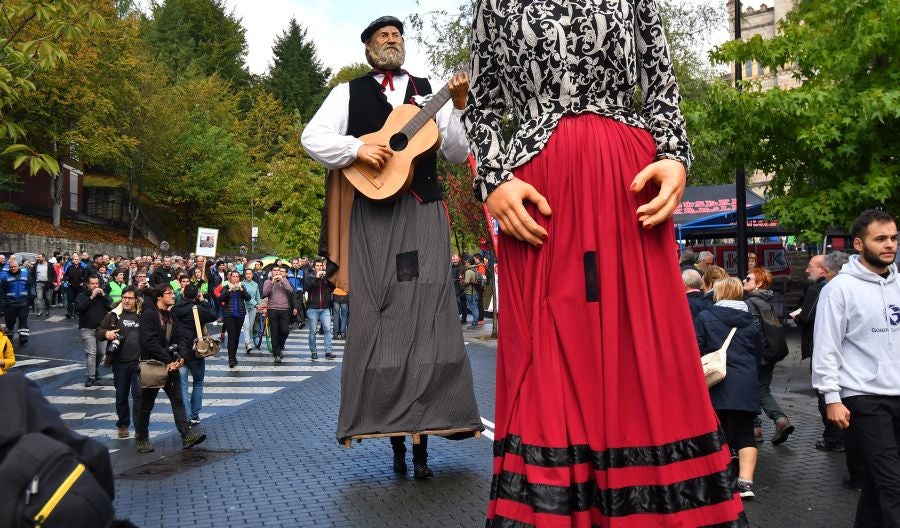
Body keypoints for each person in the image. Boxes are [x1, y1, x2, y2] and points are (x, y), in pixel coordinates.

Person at [465, 1, 743, 524]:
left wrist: (675, 156)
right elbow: (480, 108)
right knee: (545, 355)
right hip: (538, 193)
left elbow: (662, 86)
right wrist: (494, 180)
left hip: (628, 186)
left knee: (648, 348)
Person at [302, 15, 482, 479]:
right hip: (374, 216)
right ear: (367, 47)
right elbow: (313, 138)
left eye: (397, 34)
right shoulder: (348, 92)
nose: (391, 39)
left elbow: (458, 154)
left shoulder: (427, 90)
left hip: (423, 210)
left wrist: (459, 108)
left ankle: (423, 444)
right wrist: (357, 151)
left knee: (430, 313)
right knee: (379, 314)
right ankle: (393, 441)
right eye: (382, 35)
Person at [813, 209, 900, 527]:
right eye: (881, 239)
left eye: (893, 237)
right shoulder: (839, 289)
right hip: (864, 397)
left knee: (879, 486)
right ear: (859, 244)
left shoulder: (898, 285)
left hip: (897, 392)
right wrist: (832, 396)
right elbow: (826, 346)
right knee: (893, 486)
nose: (890, 244)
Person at [696, 277, 763, 499]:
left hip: (716, 381)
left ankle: (721, 480)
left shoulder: (705, 316)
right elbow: (757, 354)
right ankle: (745, 484)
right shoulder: (751, 320)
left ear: (718, 293)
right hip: (745, 380)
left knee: (718, 431)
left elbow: (697, 348)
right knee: (745, 432)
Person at [135, 284, 205, 453]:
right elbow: (149, 342)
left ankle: (186, 435)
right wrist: (167, 359)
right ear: (159, 296)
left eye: (173, 293)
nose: (173, 296)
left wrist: (181, 357)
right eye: (169, 293)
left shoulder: (172, 315)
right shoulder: (148, 315)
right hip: (153, 365)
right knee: (146, 404)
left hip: (172, 366)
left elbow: (181, 337)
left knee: (178, 401)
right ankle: (142, 438)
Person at [743, 267, 794, 444]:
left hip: (757, 356)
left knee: (754, 391)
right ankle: (772, 423)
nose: (744, 281)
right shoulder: (765, 301)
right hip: (768, 354)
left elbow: (754, 331)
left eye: (748, 279)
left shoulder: (751, 302)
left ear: (759, 284)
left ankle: (771, 423)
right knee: (762, 389)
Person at [96, 285, 142, 439]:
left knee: (138, 396)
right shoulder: (113, 315)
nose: (126, 301)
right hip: (120, 362)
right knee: (121, 395)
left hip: (139, 363)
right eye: (124, 298)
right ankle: (123, 424)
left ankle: (139, 427)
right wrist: (107, 333)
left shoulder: (143, 314)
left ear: (136, 299)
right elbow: (99, 332)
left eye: (130, 298)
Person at [173, 283, 218, 425]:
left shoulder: (175, 309)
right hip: (196, 350)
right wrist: (203, 301)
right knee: (198, 382)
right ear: (196, 296)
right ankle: (194, 414)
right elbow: (213, 315)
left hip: (180, 351)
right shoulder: (198, 309)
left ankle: (186, 416)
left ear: (183, 294)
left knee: (183, 386)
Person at [76, 275, 112, 387]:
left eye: (97, 283)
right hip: (87, 328)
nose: (95, 286)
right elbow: (79, 309)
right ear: (88, 284)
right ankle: (90, 377)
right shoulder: (82, 295)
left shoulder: (103, 296)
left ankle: (94, 369)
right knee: (91, 353)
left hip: (101, 329)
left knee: (101, 352)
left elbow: (111, 306)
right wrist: (91, 297)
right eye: (92, 284)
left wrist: (104, 295)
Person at [262, 266, 296, 362]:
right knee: (274, 332)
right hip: (272, 309)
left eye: (278, 271)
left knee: (285, 331)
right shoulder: (267, 282)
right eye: (275, 271)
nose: (277, 272)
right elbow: (265, 293)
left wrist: (283, 281)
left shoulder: (285, 281)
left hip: (284, 309)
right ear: (271, 272)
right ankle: (276, 353)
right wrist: (272, 282)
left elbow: (290, 290)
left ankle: (279, 347)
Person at [216, 270, 250, 368]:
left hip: (240, 314)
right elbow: (220, 299)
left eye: (237, 276)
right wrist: (229, 290)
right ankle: (231, 358)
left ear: (239, 278)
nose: (235, 278)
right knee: (232, 336)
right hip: (228, 315)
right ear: (230, 278)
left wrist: (242, 290)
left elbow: (248, 298)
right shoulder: (226, 287)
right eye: (233, 276)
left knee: (237, 336)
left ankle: (234, 356)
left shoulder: (242, 287)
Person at [303, 259, 334, 360]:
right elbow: (307, 287)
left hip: (325, 308)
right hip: (312, 308)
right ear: (314, 267)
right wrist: (316, 278)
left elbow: (333, 287)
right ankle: (314, 351)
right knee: (313, 331)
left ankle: (328, 351)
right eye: (317, 265)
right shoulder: (309, 277)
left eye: (321, 265)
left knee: (328, 330)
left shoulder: (325, 277)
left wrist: (328, 278)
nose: (320, 267)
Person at [1, 259, 34, 346]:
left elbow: (31, 285)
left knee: (23, 321)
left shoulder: (25, 274)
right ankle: (9, 337)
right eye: (11, 267)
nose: (13, 268)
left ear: (18, 266)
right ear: (9, 267)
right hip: (10, 304)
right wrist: (4, 303)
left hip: (23, 303)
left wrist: (32, 297)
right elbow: (2, 291)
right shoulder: (5, 277)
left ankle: (23, 337)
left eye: (15, 266)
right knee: (10, 322)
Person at [241, 268, 261, 353]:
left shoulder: (255, 284)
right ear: (245, 275)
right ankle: (248, 343)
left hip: (253, 308)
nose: (248, 275)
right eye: (247, 274)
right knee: (246, 325)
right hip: (244, 306)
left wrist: (259, 305)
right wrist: (255, 303)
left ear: (252, 275)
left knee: (251, 326)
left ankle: (247, 341)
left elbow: (257, 296)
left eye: (250, 274)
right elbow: (246, 296)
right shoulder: (242, 284)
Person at [32, 253, 57, 317]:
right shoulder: (36, 265)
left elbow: (54, 274)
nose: (38, 259)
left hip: (47, 284)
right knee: (39, 298)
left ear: (43, 258)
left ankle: (48, 310)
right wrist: (34, 280)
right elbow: (32, 273)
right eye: (38, 257)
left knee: (47, 298)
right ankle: (40, 311)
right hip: (38, 283)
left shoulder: (49, 265)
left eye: (39, 257)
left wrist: (53, 281)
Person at [463, 257, 480, 329]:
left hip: (470, 292)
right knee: (475, 307)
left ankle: (474, 324)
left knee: (473, 307)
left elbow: (466, 281)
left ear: (469, 263)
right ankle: (475, 323)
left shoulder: (468, 271)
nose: (465, 263)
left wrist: (462, 284)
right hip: (476, 291)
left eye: (466, 262)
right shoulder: (476, 270)